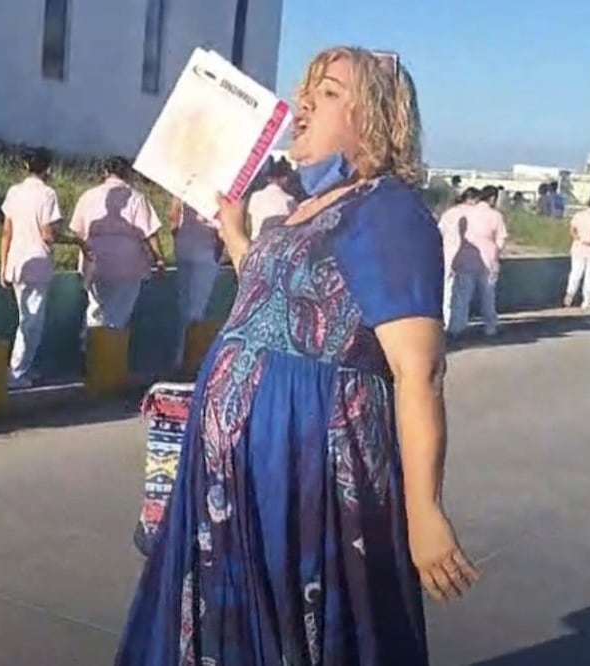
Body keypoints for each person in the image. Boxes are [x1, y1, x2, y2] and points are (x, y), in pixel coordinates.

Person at [116, 46, 477, 665]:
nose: (304, 101)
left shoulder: (387, 213)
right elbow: (272, 300)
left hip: (305, 476)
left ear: (377, 117)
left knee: (308, 634)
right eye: (306, 88)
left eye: (330, 92)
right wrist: (234, 230)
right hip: (233, 479)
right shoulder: (304, 211)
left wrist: (424, 511)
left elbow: (419, 372)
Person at [0, 147, 87, 389]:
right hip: (37, 263)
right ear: (48, 169)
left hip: (16, 262)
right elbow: (48, 235)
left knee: (26, 319)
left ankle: (20, 369)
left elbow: (7, 231)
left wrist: (3, 266)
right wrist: (76, 241)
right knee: (32, 322)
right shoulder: (47, 194)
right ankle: (16, 374)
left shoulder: (14, 192)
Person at [69, 157, 165, 345]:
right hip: (127, 264)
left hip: (94, 261)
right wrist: (159, 259)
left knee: (96, 308)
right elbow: (149, 233)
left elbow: (78, 231)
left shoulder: (88, 196)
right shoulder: (136, 198)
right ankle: (108, 354)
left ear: (105, 172)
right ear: (127, 173)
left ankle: (90, 350)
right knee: (119, 312)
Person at [168, 197, 223, 369]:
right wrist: (219, 250)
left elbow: (173, 217)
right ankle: (192, 360)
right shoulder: (214, 194)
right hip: (205, 252)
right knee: (198, 307)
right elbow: (222, 228)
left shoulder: (184, 188)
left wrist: (178, 240)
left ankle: (179, 355)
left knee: (184, 304)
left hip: (184, 248)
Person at [448, 185, 508, 337]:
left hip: (464, 259)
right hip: (488, 261)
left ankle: (457, 327)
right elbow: (501, 238)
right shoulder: (495, 216)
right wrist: (496, 252)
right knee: (488, 296)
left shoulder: (465, 213)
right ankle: (490, 327)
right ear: (493, 198)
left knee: (461, 296)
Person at [437, 187, 480, 330]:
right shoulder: (473, 214)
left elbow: (440, 231)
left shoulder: (449, 213)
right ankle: (458, 326)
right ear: (472, 199)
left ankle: (444, 323)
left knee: (446, 292)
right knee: (462, 294)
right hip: (466, 257)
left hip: (446, 255)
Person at [564, 194, 590, 310]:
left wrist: (578, 238)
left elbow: (572, 230)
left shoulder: (579, 215)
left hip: (578, 247)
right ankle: (586, 301)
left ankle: (569, 294)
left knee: (575, 273)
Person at [245, 156, 296, 239]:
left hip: (255, 242)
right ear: (284, 179)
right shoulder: (289, 200)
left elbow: (248, 224)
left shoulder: (255, 196)